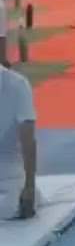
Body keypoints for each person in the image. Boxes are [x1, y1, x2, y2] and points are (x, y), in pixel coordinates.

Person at [0, 62, 37, 220]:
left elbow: (28, 141)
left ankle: (27, 190)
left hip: (9, 171)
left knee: (9, 208)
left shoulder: (17, 85)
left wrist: (30, 187)